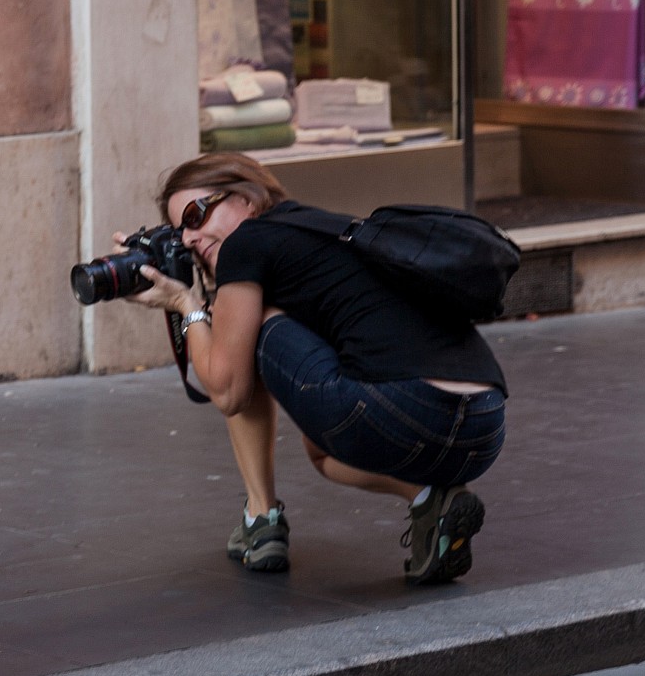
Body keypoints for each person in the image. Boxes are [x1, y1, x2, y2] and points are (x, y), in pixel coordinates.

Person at [130, 152, 504, 585]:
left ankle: (261, 517)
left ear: (248, 199)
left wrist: (185, 303)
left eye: (196, 215)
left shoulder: (245, 244)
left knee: (251, 336)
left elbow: (228, 390)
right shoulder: (318, 229)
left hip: (403, 412)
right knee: (321, 454)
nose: (191, 238)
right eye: (180, 234)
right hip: (485, 426)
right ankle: (434, 502)